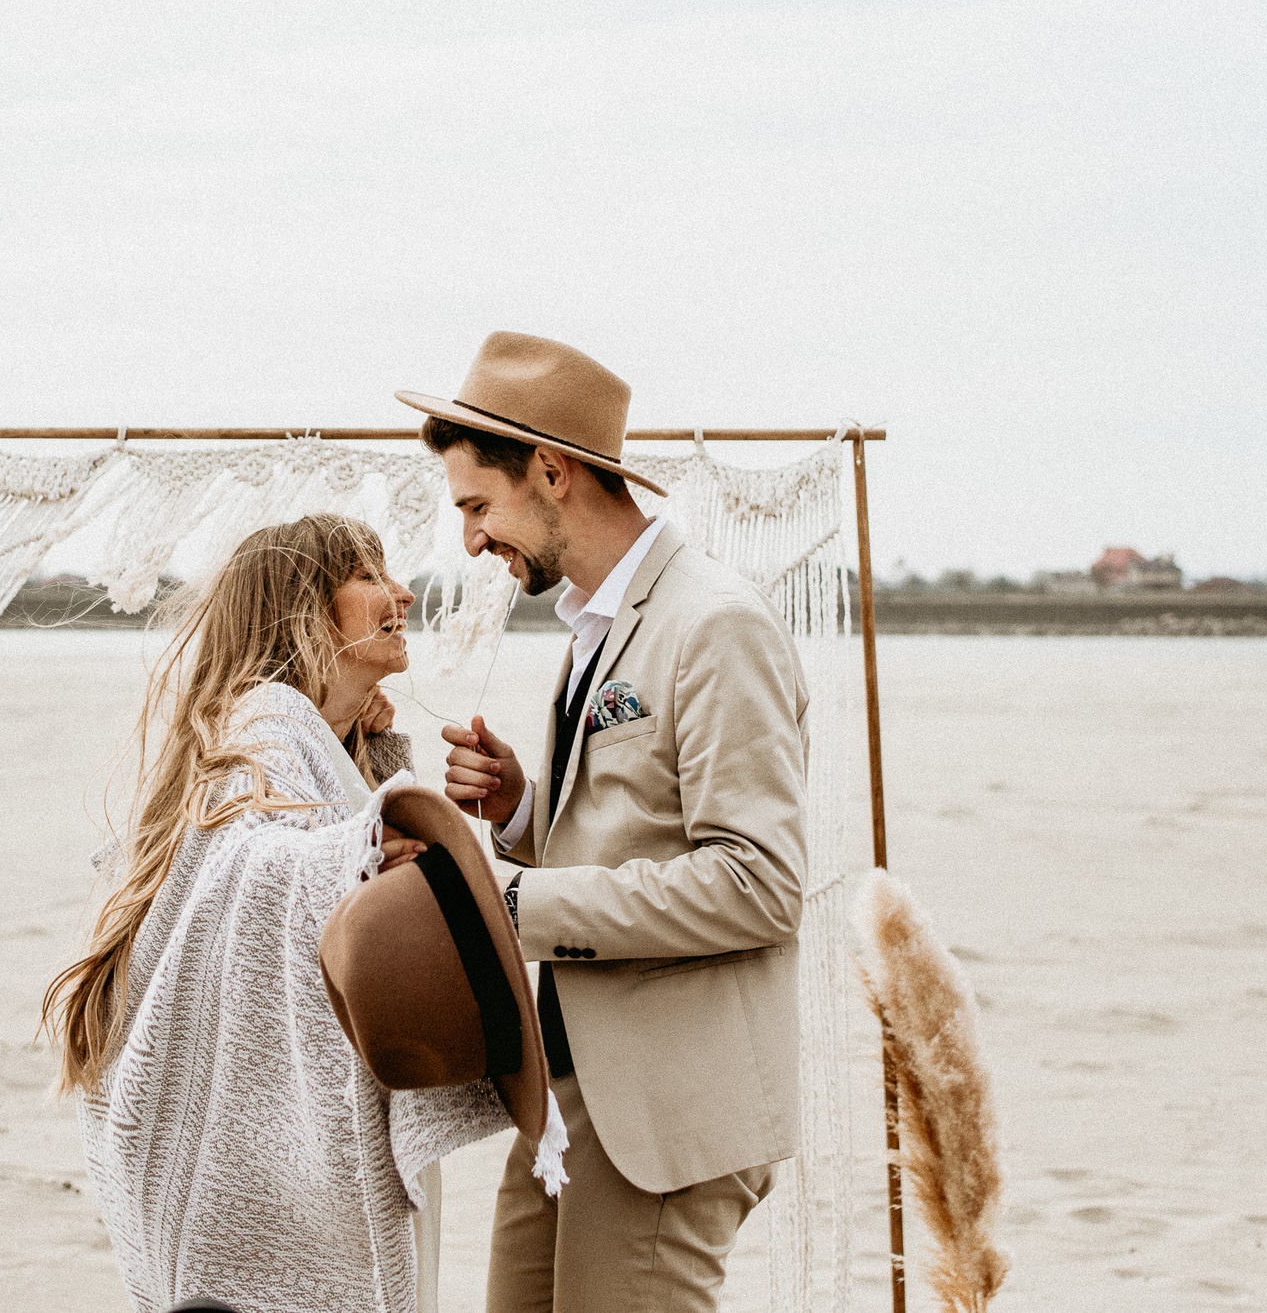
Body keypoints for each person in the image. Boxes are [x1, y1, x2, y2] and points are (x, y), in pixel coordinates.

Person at [404, 332, 810, 1313]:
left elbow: (759, 884)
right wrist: (522, 810)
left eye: (475, 506)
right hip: (565, 1097)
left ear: (550, 470)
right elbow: (636, 839)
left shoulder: (714, 623)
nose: (469, 541)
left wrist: (508, 900)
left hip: (664, 1118)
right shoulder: (593, 622)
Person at [44, 513, 514, 1313]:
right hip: (261, 1169)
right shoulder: (264, 722)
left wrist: (376, 767)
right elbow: (244, 865)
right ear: (303, 608)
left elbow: (299, 846)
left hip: (269, 1151)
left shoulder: (297, 731)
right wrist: (361, 852)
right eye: (367, 575)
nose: (402, 591)